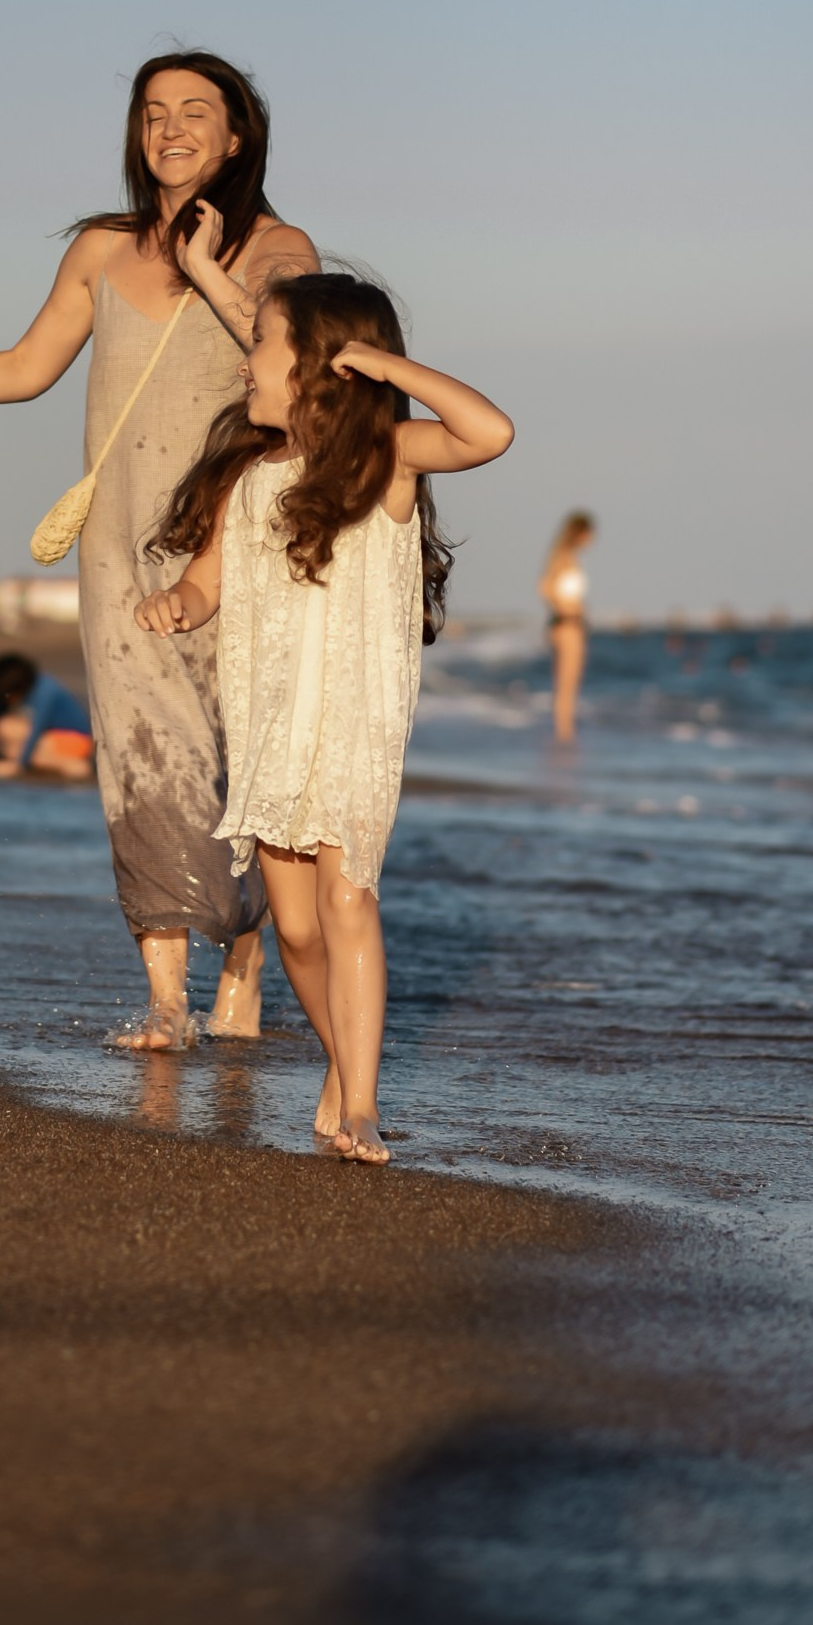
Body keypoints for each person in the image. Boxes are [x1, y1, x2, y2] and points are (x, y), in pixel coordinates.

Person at [0, 53, 318, 1048]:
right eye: (153, 111)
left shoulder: (280, 246)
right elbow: (28, 365)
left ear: (238, 135)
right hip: (115, 545)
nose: (171, 127)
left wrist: (205, 267)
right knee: (142, 759)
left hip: (236, 539)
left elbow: (297, 359)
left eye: (196, 111)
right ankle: (164, 994)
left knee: (237, 759)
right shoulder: (101, 250)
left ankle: (242, 954)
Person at [136, 272, 512, 1163]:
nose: (245, 362)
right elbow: (207, 580)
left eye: (261, 341)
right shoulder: (246, 478)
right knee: (295, 926)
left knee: (347, 902)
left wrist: (385, 365)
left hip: (354, 720)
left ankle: (362, 1103)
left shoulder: (384, 459)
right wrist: (180, 605)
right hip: (272, 727)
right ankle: (342, 1063)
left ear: (319, 364)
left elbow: (488, 431)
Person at [0, 652, 94, 781]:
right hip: (51, 736)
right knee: (5, 728)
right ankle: (53, 763)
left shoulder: (46, 690)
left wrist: (18, 765)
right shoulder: (29, 686)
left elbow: (36, 729)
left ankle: (71, 765)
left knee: (15, 746)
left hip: (76, 740)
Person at [541, 511, 596, 744]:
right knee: (568, 682)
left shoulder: (567, 556)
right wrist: (564, 608)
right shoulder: (564, 557)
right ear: (581, 533)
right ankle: (564, 732)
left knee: (567, 682)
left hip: (569, 625)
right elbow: (545, 587)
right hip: (568, 625)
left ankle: (564, 730)